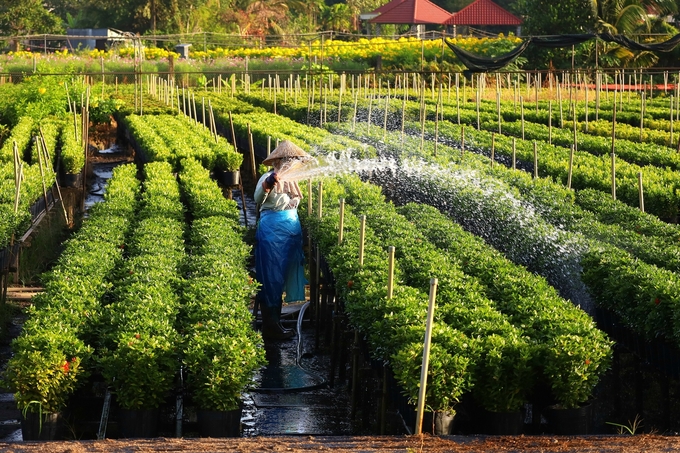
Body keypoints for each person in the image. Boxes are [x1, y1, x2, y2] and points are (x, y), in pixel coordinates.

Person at [254, 140, 310, 340]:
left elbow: (295, 201)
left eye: (293, 160)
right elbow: (258, 197)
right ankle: (272, 326)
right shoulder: (269, 177)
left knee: (283, 275)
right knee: (272, 279)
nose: (292, 163)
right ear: (279, 162)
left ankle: (275, 322)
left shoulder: (293, 180)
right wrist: (268, 184)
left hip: (290, 233)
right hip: (272, 234)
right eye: (288, 160)